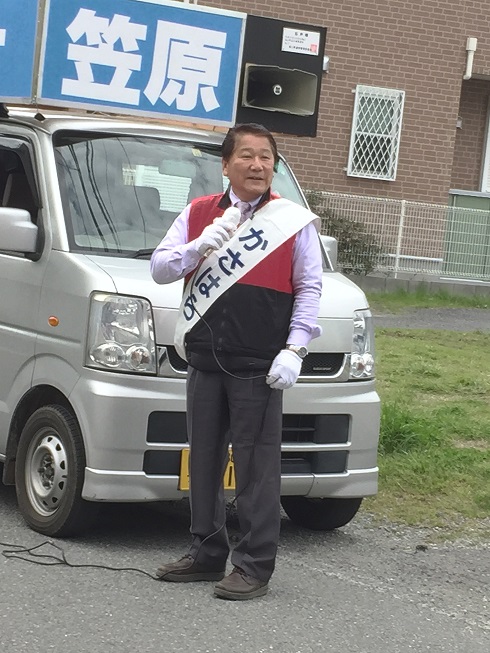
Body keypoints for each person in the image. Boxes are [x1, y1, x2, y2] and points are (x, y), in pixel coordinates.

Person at [150, 122, 322, 600]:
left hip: (260, 364)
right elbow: (160, 268)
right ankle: (206, 553)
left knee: (257, 469)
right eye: (246, 155)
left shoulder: (291, 222)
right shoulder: (199, 212)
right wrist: (197, 247)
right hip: (205, 357)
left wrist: (295, 348)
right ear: (226, 165)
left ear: (275, 166)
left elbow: (310, 288)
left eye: (266, 156)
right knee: (204, 460)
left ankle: (254, 565)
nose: (257, 165)